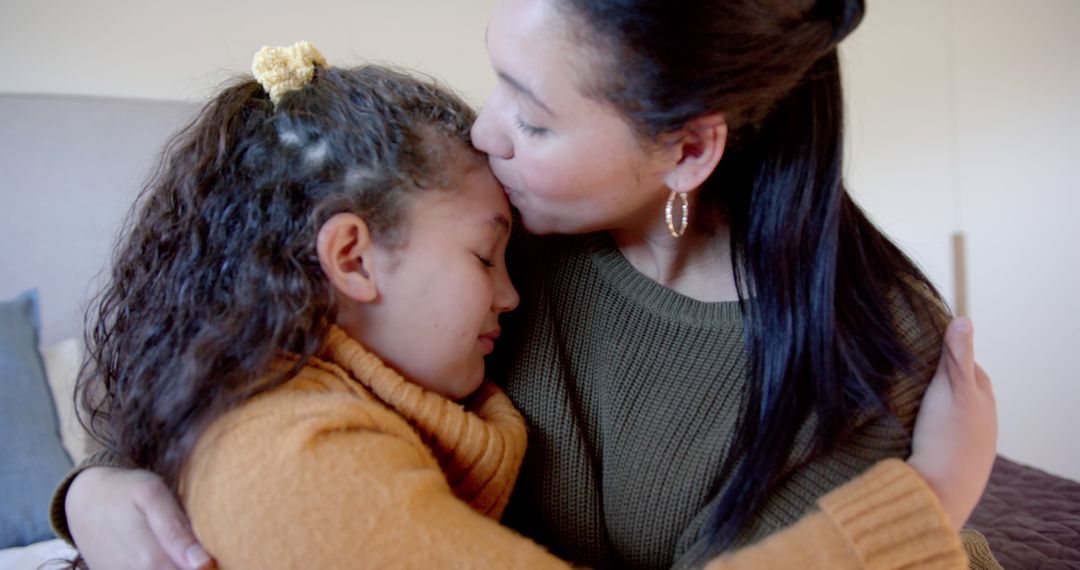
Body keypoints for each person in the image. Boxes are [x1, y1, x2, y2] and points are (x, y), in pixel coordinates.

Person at [55, 0, 1000, 565]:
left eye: (535, 118)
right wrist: (94, 493)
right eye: (497, 76)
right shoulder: (467, 220)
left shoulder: (868, 351)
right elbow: (239, 362)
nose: (484, 132)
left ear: (688, 149)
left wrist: (929, 503)